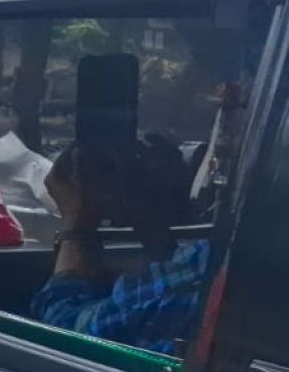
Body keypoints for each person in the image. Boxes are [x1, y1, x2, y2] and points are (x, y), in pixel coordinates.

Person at [33, 134, 210, 355]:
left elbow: (69, 333)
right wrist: (152, 219)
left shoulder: (214, 268)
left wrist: (76, 221)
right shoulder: (220, 260)